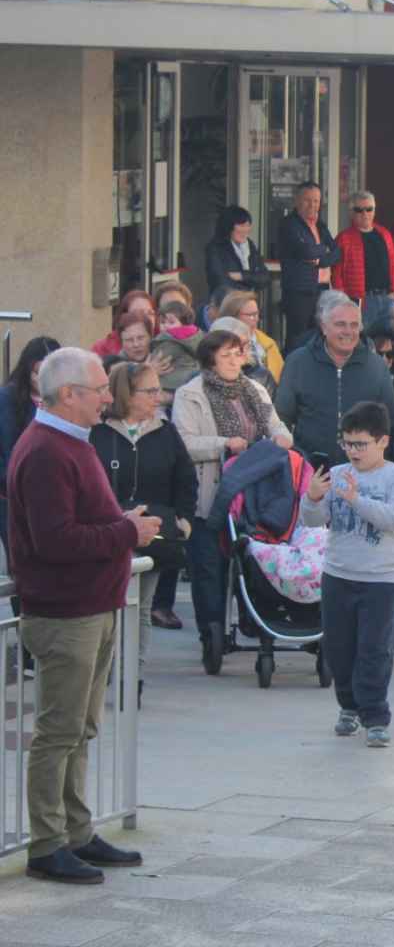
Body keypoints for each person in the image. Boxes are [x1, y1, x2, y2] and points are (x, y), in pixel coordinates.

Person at [11, 347, 159, 884]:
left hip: (90, 608)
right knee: (59, 731)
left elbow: (73, 523)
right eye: (98, 388)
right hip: (65, 613)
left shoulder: (70, 442)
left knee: (81, 728)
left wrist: (118, 523)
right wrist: (126, 533)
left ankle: (75, 831)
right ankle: (47, 844)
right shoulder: (47, 450)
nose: (106, 397)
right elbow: (54, 540)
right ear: (69, 394)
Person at [300, 401, 394, 747]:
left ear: (382, 441)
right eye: (347, 443)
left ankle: (376, 716)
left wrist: (355, 499)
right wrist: (312, 498)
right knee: (339, 647)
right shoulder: (335, 473)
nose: (352, 451)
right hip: (338, 573)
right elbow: (312, 521)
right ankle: (347, 706)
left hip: (380, 578)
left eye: (360, 444)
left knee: (373, 648)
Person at [173, 330, 293, 643]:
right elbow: (183, 443)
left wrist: (282, 438)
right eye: (224, 355)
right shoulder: (191, 394)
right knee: (209, 568)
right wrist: (224, 444)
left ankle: (253, 619)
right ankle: (211, 631)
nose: (232, 361)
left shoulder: (254, 389)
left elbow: (275, 424)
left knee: (251, 560)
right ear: (209, 359)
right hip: (211, 494)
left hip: (252, 494)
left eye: (237, 354)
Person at [89, 361, 195, 689]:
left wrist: (183, 518)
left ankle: (132, 677)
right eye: (149, 391)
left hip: (154, 534)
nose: (158, 397)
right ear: (126, 394)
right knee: (106, 607)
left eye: (158, 389)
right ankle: (103, 673)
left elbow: (185, 477)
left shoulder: (165, 431)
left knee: (142, 607)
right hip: (107, 534)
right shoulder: (99, 432)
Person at [275, 292, 394, 466]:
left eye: (354, 325)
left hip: (363, 471)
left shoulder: (376, 366)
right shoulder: (298, 362)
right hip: (310, 469)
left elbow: (391, 421)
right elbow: (281, 417)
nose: (348, 331)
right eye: (340, 324)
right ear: (324, 327)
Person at [0, 336, 62, 606]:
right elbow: (8, 449)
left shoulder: (63, 399)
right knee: (22, 563)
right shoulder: (9, 398)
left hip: (55, 493)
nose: (42, 378)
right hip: (14, 497)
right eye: (37, 372)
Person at [278, 181, 339, 348]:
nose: (312, 205)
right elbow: (305, 251)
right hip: (299, 292)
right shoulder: (289, 225)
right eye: (307, 200)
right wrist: (322, 250)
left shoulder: (320, 225)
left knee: (320, 338)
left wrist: (320, 259)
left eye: (316, 201)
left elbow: (336, 252)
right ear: (297, 201)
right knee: (297, 339)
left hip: (322, 290)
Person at [330, 191, 394, 328]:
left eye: (369, 209)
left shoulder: (384, 234)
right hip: (361, 301)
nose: (365, 214)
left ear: (374, 211)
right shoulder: (343, 238)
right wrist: (344, 301)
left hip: (387, 297)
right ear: (351, 213)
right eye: (359, 210)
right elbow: (336, 273)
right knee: (361, 340)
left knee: (389, 340)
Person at [217, 290, 285, 383]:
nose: (256, 319)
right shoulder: (216, 344)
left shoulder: (269, 344)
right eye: (250, 315)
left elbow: (282, 379)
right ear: (232, 316)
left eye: (256, 314)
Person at [203, 205, 268, 297]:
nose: (245, 230)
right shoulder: (215, 248)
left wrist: (241, 276)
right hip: (225, 305)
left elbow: (264, 277)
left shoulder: (250, 245)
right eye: (241, 225)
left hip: (249, 304)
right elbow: (220, 281)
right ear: (229, 226)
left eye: (248, 225)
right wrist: (249, 284)